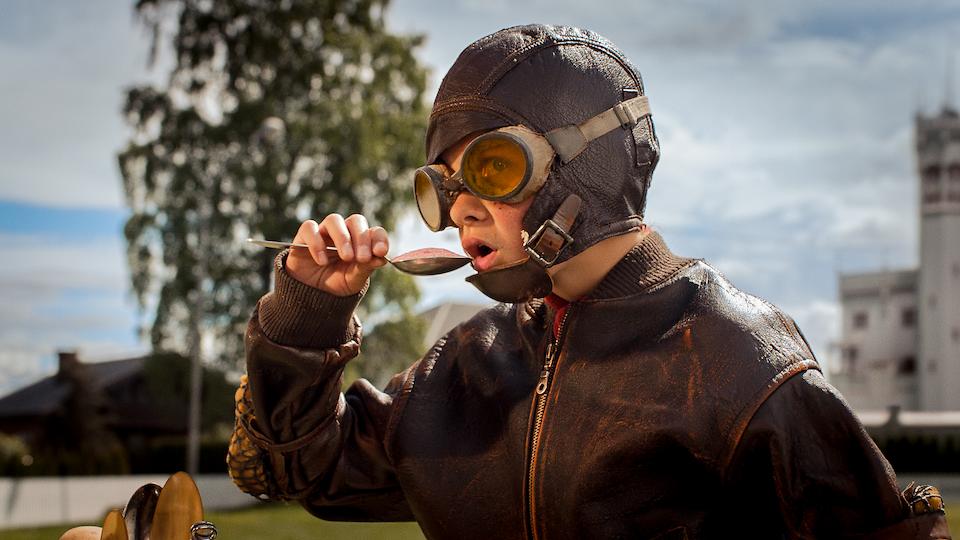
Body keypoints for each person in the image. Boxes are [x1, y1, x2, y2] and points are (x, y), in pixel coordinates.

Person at [227, 24, 951, 538]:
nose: (461, 208)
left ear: (588, 167)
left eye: (495, 168)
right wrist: (307, 316)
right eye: (444, 182)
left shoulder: (740, 360)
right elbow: (304, 471)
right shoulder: (460, 368)